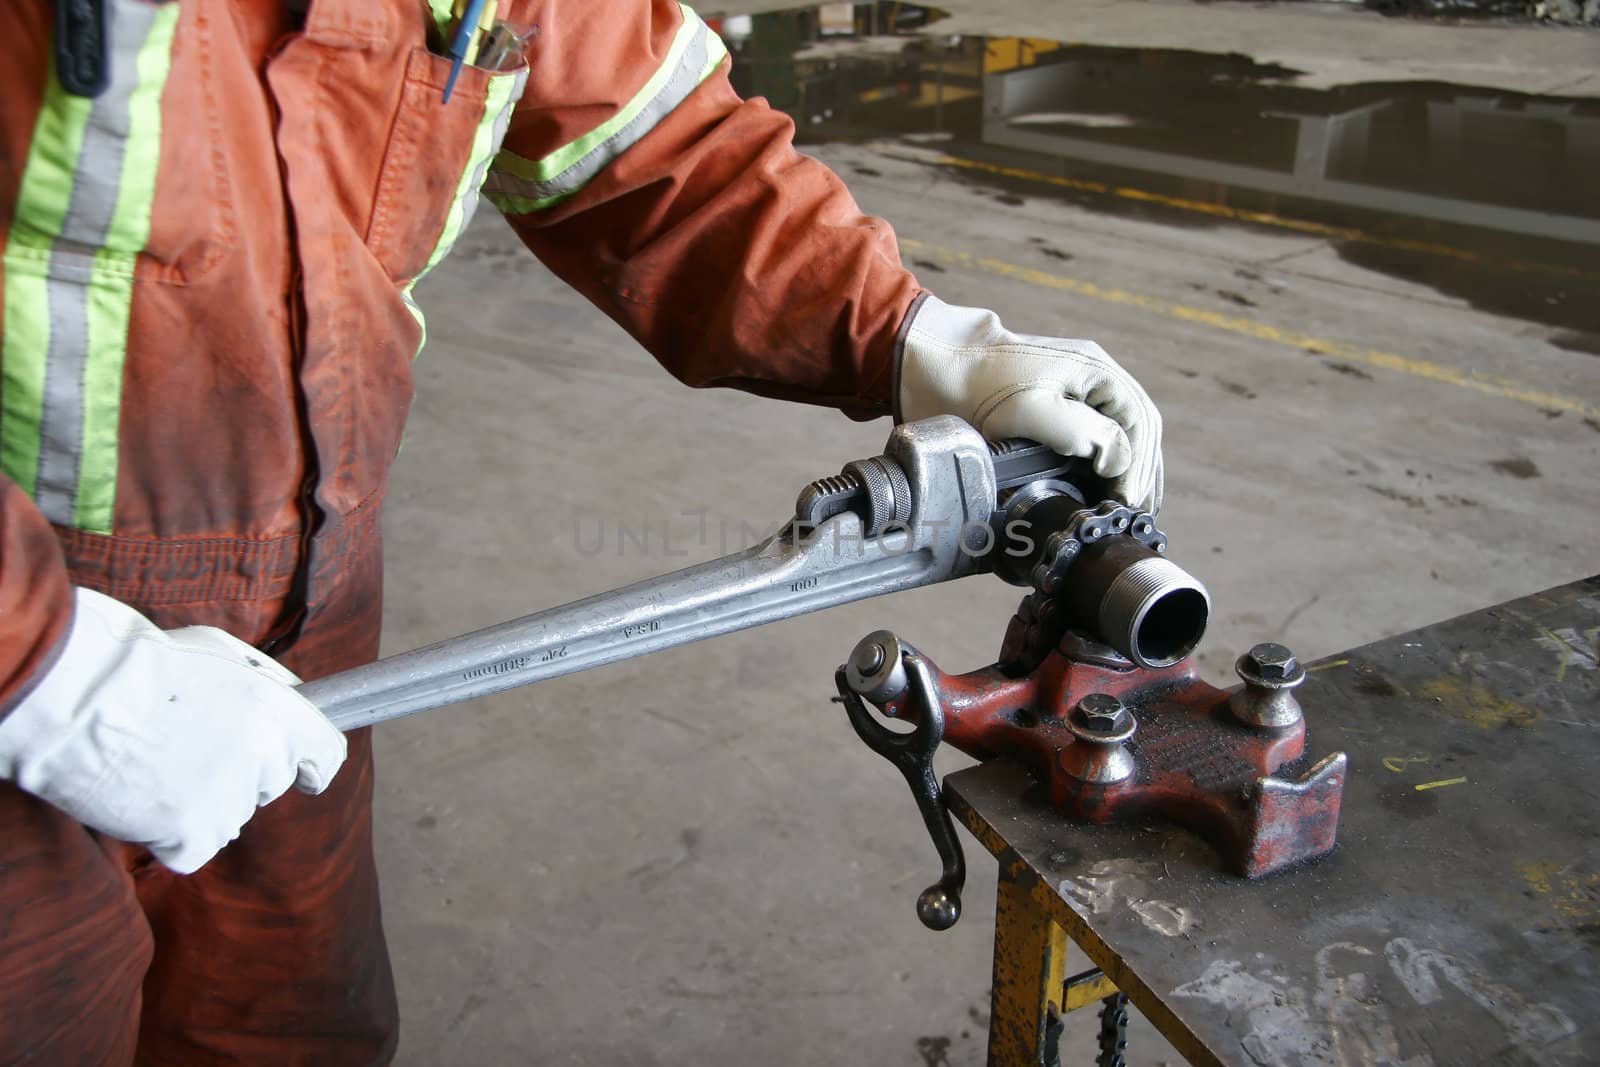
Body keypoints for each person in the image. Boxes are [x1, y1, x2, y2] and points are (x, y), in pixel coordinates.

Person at [0, 1, 1162, 1062]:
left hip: (306, 610)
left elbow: (647, 142)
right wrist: (43, 666)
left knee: (291, 1031)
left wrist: (909, 332)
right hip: (33, 638)